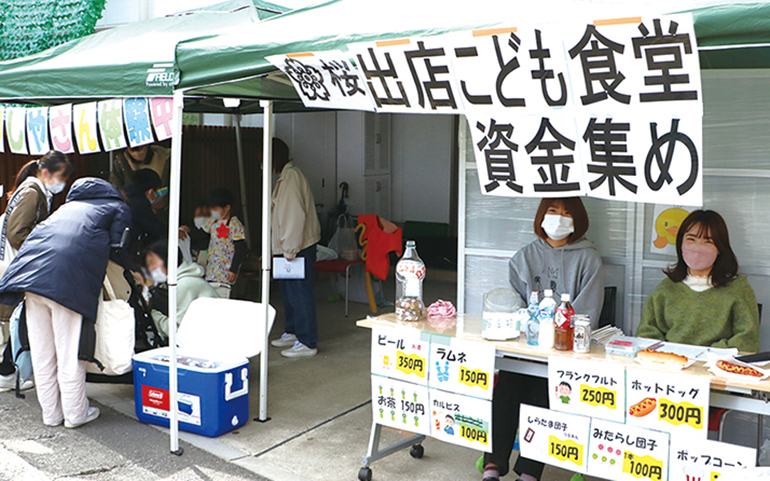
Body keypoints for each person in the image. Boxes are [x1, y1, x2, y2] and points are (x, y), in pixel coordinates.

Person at [483, 197, 604, 481]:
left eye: (566, 213)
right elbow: (514, 306)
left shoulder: (589, 258)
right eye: (552, 211)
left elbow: (587, 314)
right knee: (506, 387)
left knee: (545, 391)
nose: (559, 219)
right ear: (541, 216)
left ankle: (529, 473)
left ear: (578, 221)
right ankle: (492, 467)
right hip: (527, 348)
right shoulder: (524, 257)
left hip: (566, 352)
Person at [0, 178, 131, 429]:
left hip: (32, 280)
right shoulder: (117, 207)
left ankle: (51, 414)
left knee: (43, 352)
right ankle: (75, 414)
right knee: (69, 352)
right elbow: (118, 245)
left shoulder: (65, 208)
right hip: (67, 283)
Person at [0, 151, 74, 392]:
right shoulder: (32, 192)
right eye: (60, 177)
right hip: (17, 266)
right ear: (45, 173)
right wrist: (42, 253)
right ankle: (7, 373)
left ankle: (9, 371)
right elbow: (16, 233)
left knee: (19, 320)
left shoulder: (33, 190)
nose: (61, 184)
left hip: (16, 265)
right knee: (19, 320)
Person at [637, 210, 759, 353]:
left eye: (708, 241)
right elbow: (647, 334)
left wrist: (709, 355)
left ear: (720, 248)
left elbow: (747, 338)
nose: (698, 247)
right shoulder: (666, 288)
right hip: (671, 366)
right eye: (691, 239)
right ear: (680, 243)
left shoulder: (737, 288)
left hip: (717, 368)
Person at [269, 138, 321, 358]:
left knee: (299, 294)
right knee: (289, 294)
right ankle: (292, 331)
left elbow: (293, 217)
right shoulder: (286, 176)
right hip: (288, 248)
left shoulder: (290, 178)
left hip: (295, 248)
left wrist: (289, 250)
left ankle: (307, 341)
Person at [144, 239, 219, 339]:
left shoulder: (185, 284)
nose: (150, 268)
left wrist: (153, 313)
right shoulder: (178, 280)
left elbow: (176, 331)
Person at [199, 188, 247, 296]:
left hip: (227, 270)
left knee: (225, 294)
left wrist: (233, 269)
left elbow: (240, 248)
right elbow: (201, 235)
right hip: (212, 268)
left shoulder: (234, 224)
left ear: (227, 207)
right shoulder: (212, 221)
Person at [123, 168, 167, 253]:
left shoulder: (126, 195)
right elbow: (157, 228)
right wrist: (175, 231)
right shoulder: (140, 204)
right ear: (150, 192)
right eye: (156, 192)